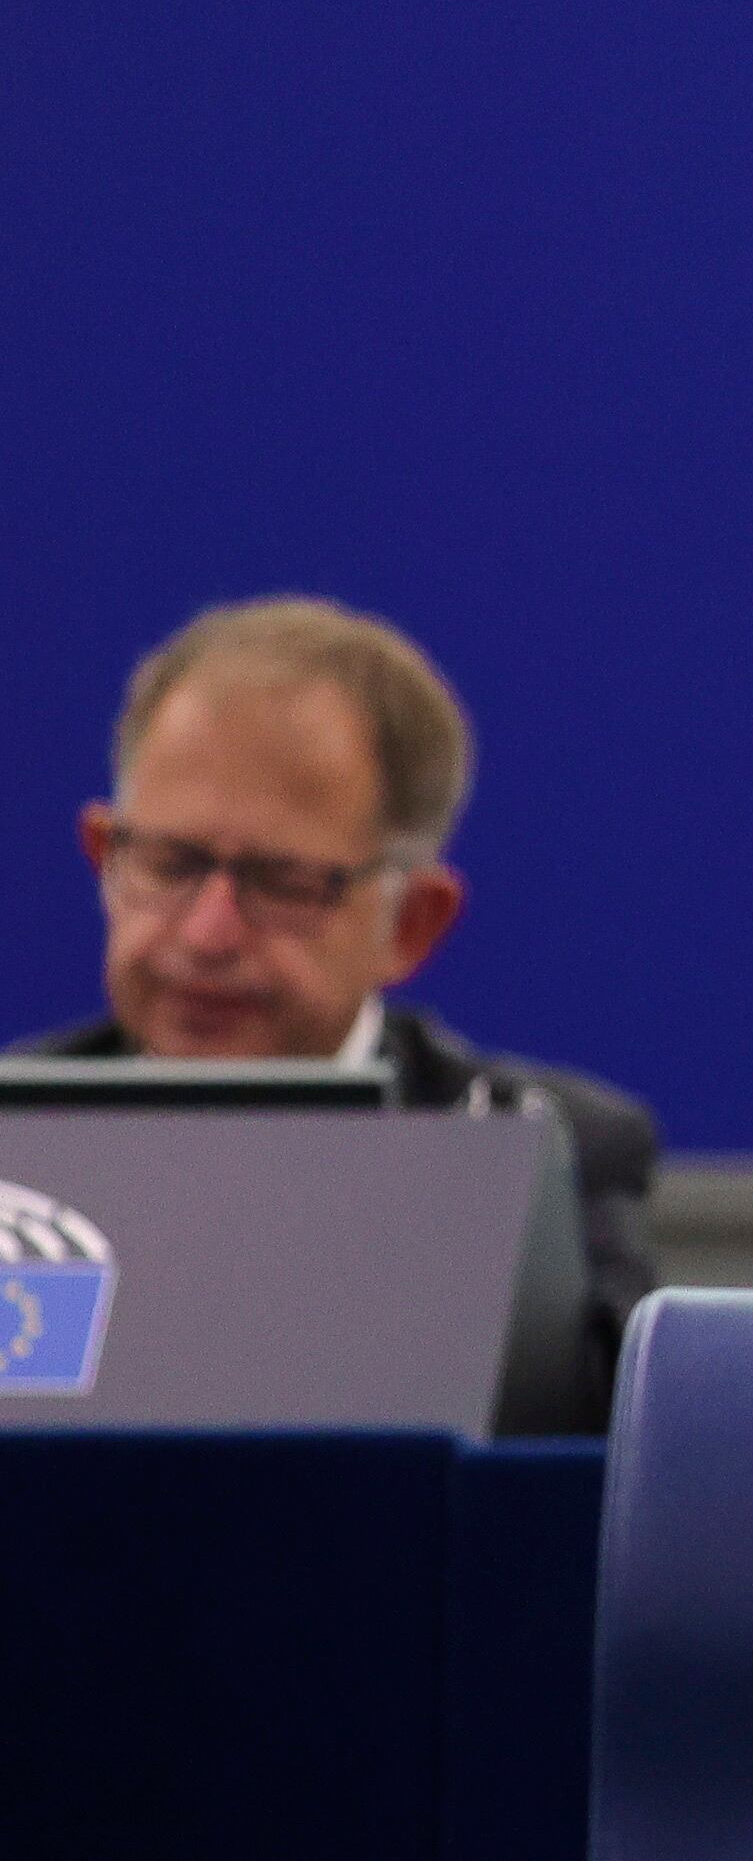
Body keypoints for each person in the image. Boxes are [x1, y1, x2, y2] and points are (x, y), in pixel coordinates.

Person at [19, 598, 657, 1425]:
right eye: (171, 863)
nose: (209, 932)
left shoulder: (534, 1160)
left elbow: (591, 1492)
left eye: (284, 883)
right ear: (104, 856)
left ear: (412, 921)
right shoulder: (18, 1139)